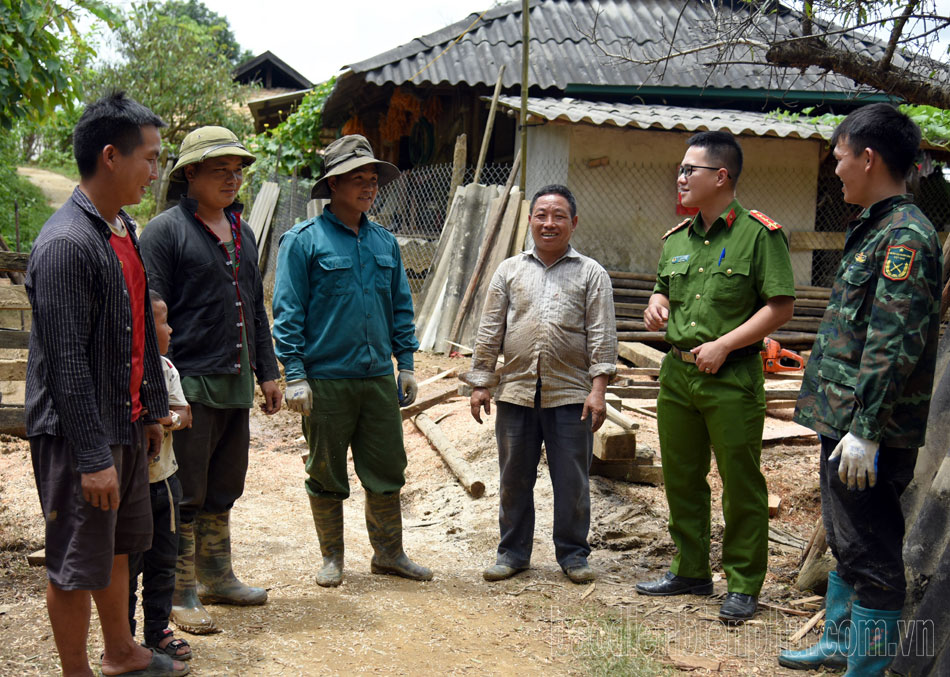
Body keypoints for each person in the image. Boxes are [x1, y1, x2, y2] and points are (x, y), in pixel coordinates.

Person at [25, 91, 188, 676]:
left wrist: (147, 410)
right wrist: (93, 456)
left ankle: (120, 652)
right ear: (112, 156)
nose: (155, 171)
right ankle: (77, 672)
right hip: (78, 435)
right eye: (150, 158)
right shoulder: (68, 244)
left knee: (119, 544)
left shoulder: (120, 229)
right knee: (75, 560)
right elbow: (66, 363)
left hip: (118, 421)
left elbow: (138, 330)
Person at [780, 104, 941, 675]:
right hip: (845, 421)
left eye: (841, 156)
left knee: (872, 554)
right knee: (849, 542)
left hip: (867, 429)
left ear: (868, 158)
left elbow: (891, 342)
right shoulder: (876, 227)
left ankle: (865, 668)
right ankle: (839, 643)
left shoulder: (905, 240)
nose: (836, 167)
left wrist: (867, 430)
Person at [636, 131, 796, 623]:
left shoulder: (759, 234)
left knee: (739, 480)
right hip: (677, 377)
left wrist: (727, 343)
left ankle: (744, 583)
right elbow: (662, 292)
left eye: (690, 170)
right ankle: (690, 569)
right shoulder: (676, 241)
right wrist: (655, 304)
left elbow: (781, 307)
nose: (680, 178)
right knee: (682, 477)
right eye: (681, 170)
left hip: (732, 377)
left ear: (721, 176)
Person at [139, 126, 282, 634]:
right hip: (190, 384)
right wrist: (161, 394)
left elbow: (255, 309)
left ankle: (218, 575)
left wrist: (268, 371)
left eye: (237, 169)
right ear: (189, 174)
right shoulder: (164, 232)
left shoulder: (243, 232)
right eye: (219, 169)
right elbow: (151, 315)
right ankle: (181, 591)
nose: (232, 177)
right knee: (186, 489)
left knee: (225, 483)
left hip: (235, 381)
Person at [272, 134, 429, 588]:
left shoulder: (385, 243)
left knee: (386, 468)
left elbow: (401, 307)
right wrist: (295, 375)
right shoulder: (303, 242)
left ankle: (389, 554)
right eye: (357, 178)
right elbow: (287, 311)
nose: (369, 186)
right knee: (325, 471)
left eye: (373, 179)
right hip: (327, 381)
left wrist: (408, 365)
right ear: (334, 184)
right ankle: (332, 559)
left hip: (378, 378)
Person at [462, 184, 617, 585]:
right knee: (514, 478)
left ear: (574, 223)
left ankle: (573, 555)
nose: (549, 223)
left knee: (572, 480)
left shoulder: (591, 274)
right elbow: (490, 329)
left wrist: (598, 390)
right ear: (530, 220)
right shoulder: (509, 271)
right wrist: (481, 382)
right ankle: (513, 553)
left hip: (571, 395)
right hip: (514, 391)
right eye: (541, 215)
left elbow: (602, 336)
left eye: (559, 216)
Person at [128, 291, 193, 662]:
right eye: (162, 321)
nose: (170, 328)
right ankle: (125, 635)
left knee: (163, 561)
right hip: (131, 486)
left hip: (165, 482)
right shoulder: (120, 372)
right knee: (127, 566)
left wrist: (168, 419)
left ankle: (158, 629)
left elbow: (185, 413)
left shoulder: (167, 370)